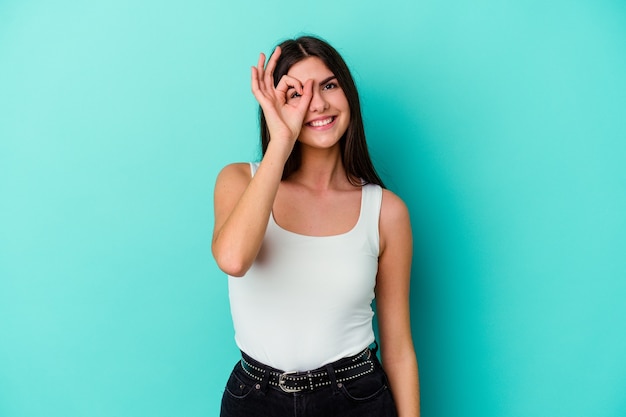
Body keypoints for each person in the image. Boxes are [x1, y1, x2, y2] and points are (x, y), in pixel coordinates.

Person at [212, 35, 420, 417]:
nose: (318, 103)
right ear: (275, 104)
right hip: (255, 400)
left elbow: (399, 349)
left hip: (355, 399)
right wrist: (281, 141)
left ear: (348, 94)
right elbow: (233, 259)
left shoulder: (386, 212)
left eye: (328, 85)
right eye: (296, 93)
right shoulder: (239, 180)